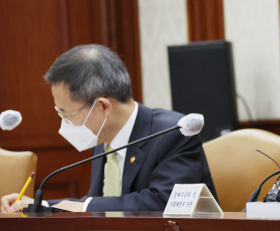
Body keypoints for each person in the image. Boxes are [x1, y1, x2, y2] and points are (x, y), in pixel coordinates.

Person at [1, 45, 217, 213]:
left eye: (67, 114)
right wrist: (40, 205)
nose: (63, 124)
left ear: (103, 106)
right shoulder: (102, 137)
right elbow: (100, 204)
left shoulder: (173, 134)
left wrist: (84, 207)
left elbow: (163, 203)